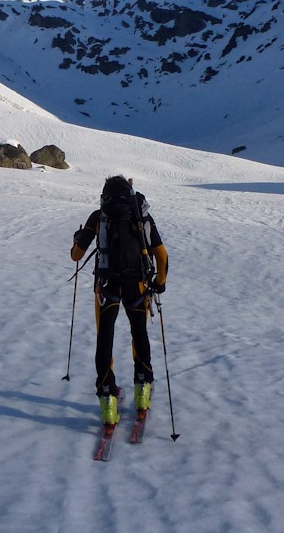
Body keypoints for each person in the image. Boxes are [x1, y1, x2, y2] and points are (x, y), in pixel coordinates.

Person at [70, 176, 168, 426]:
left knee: (105, 338)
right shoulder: (141, 216)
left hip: (106, 286)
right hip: (137, 285)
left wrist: (77, 239)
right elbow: (162, 255)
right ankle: (142, 392)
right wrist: (160, 283)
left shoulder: (98, 217)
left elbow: (76, 255)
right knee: (139, 334)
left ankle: (107, 402)